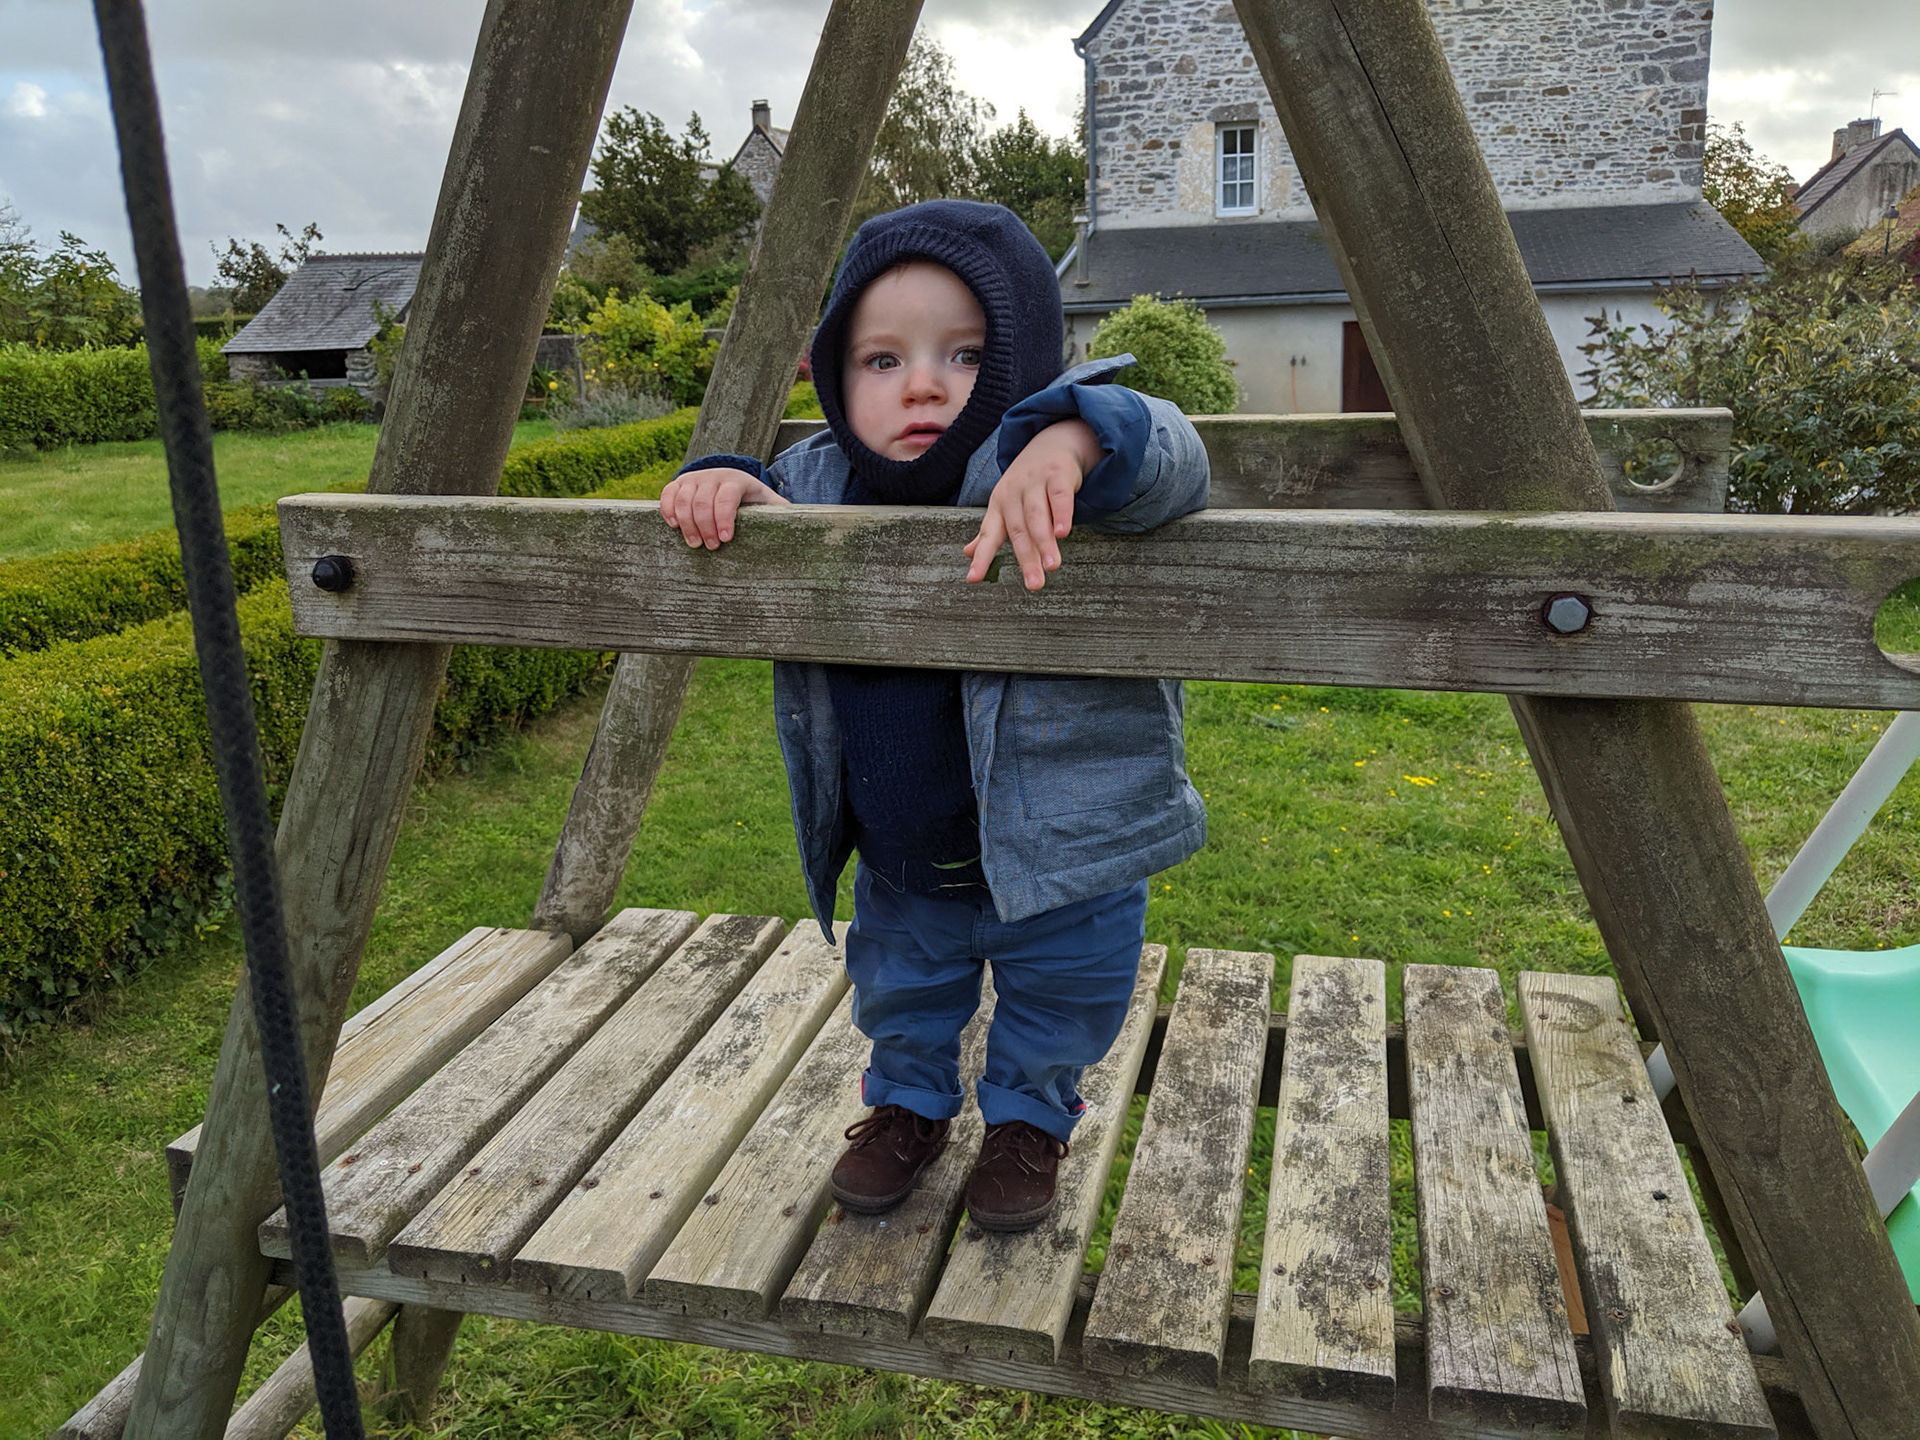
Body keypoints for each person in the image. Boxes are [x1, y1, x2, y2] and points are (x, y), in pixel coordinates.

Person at [659, 200, 1208, 1231]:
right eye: (882, 360)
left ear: (1024, 368)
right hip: (904, 846)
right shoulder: (819, 481)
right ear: (835, 378)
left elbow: (1174, 454)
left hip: (1070, 855)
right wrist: (717, 480)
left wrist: (1073, 441)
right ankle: (908, 1104)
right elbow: (754, 486)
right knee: (901, 993)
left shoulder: (1070, 470)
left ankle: (1029, 1120)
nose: (921, 384)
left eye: (965, 354)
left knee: (1063, 998)